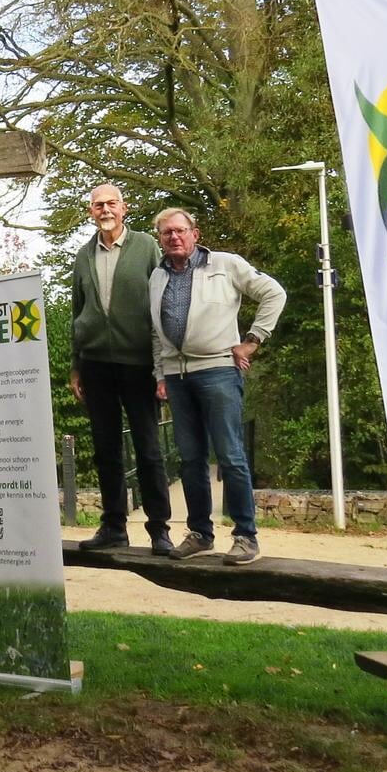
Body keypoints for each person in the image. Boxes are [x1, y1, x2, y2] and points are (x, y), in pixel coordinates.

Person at [148, 208, 286, 565]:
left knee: (230, 456)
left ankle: (245, 536)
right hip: (177, 378)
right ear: (160, 239)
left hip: (218, 372)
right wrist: (161, 374)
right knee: (190, 458)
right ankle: (199, 534)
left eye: (180, 231)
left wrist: (253, 339)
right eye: (166, 233)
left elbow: (274, 294)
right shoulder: (156, 277)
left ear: (195, 233)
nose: (174, 237)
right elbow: (155, 331)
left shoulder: (225, 264)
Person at [68, 184, 174, 554]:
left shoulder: (146, 246)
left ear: (124, 207)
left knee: (148, 449)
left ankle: (159, 529)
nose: (105, 209)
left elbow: (163, 301)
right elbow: (76, 313)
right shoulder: (82, 256)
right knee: (106, 449)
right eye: (98, 205)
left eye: (111, 202)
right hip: (95, 364)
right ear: (90, 212)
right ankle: (113, 526)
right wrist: (75, 366)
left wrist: (163, 367)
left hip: (139, 363)